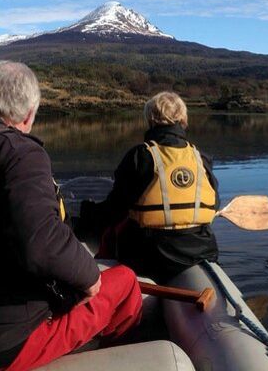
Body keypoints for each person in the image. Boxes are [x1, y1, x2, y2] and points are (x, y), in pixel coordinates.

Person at [0, 61, 142, 371]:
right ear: (28, 114)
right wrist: (90, 279)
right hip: (5, 344)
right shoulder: (19, 152)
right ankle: (119, 355)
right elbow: (42, 244)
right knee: (126, 281)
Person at [81, 91, 221, 283]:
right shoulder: (201, 158)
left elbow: (115, 209)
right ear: (183, 119)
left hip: (149, 255)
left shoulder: (141, 156)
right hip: (200, 251)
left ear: (151, 119)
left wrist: (86, 212)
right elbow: (213, 206)